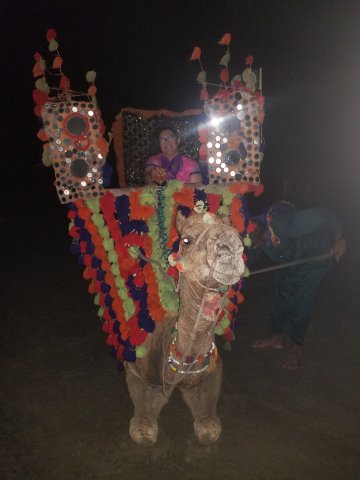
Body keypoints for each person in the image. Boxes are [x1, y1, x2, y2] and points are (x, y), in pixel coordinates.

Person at [247, 200, 346, 369]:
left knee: (300, 303)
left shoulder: (285, 223)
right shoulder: (251, 231)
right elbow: (247, 259)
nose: (254, 248)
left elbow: (325, 214)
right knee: (280, 297)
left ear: (264, 235)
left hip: (315, 257)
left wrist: (339, 238)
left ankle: (296, 347)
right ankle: (277, 338)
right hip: (292, 260)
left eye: (256, 245)